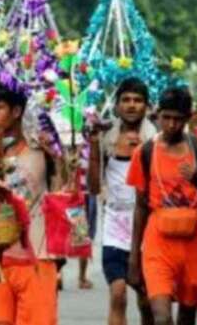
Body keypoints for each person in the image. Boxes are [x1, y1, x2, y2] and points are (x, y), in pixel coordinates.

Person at [127, 88, 197, 325]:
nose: (171, 124)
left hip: (193, 245)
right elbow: (140, 207)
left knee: (186, 318)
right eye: (167, 117)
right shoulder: (145, 152)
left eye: (178, 119)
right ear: (158, 115)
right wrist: (133, 258)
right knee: (162, 318)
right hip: (158, 245)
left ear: (189, 118)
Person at [0, 81, 63, 325]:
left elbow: (63, 193)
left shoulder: (42, 150)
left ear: (16, 111)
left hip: (37, 259)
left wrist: (60, 159)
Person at [87, 78, 156, 325]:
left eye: (137, 100)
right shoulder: (106, 138)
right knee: (117, 295)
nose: (131, 105)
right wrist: (94, 147)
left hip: (147, 228)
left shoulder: (155, 141)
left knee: (146, 299)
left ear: (147, 106)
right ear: (116, 106)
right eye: (126, 100)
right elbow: (94, 187)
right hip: (114, 229)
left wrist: (144, 154)